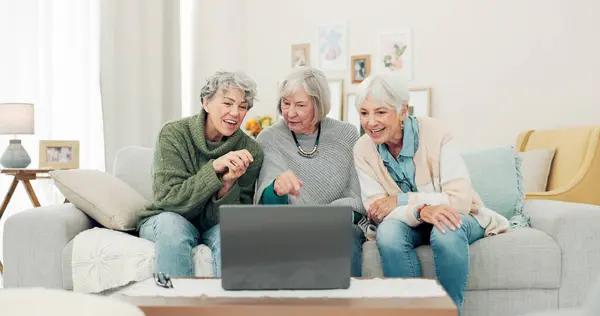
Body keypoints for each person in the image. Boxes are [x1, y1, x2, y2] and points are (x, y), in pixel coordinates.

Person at [352, 72, 509, 314]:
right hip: (408, 221)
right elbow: (377, 209)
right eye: (364, 113)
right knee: (388, 234)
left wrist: (401, 200)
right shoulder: (363, 148)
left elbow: (459, 199)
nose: (371, 122)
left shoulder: (436, 133)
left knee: (446, 228)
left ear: (403, 111)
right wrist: (422, 210)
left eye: (380, 112)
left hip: (462, 214)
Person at [137, 71, 264, 278]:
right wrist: (213, 169)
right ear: (206, 102)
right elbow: (168, 200)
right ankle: (175, 308)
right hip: (169, 217)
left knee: (232, 233)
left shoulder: (251, 151)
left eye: (242, 107)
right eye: (227, 103)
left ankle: (231, 309)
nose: (235, 113)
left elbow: (236, 216)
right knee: (172, 226)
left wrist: (226, 185)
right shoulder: (173, 134)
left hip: (213, 225)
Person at [254, 66, 367, 277]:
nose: (290, 112)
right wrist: (277, 190)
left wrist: (326, 219)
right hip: (289, 225)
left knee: (347, 237)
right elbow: (267, 204)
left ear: (318, 105)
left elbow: (358, 197)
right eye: (286, 104)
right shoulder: (269, 137)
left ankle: (347, 307)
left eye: (300, 105)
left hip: (339, 223)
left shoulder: (346, 134)